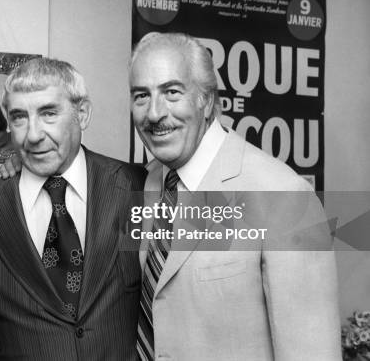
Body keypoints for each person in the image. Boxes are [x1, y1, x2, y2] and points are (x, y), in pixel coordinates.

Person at [130, 32, 340, 360]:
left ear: (208, 101)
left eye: (172, 92)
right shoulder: (145, 183)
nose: (154, 113)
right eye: (141, 95)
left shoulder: (284, 196)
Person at [0, 58, 146, 360]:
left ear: (82, 114)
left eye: (48, 113)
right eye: (19, 117)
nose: (33, 135)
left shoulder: (138, 187)